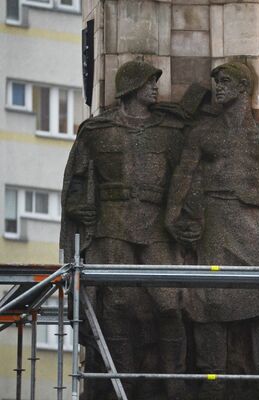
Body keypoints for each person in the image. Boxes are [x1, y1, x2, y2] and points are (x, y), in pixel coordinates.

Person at [166, 62, 259, 399]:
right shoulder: (203, 133)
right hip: (216, 221)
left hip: (256, 226)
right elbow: (181, 180)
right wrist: (173, 218)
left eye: (225, 82)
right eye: (215, 82)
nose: (217, 87)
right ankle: (213, 376)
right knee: (209, 298)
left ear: (244, 87)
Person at [60, 60, 187, 400]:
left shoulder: (169, 131)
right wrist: (76, 206)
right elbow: (75, 182)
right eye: (149, 82)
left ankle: (173, 379)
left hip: (157, 228)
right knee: (114, 304)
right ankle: (122, 379)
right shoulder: (96, 131)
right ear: (130, 88)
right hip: (111, 227)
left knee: (169, 302)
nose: (155, 88)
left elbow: (188, 181)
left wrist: (186, 219)